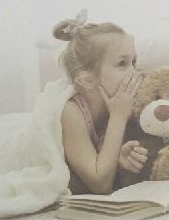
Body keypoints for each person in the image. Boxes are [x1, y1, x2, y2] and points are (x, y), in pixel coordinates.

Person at [52, 11, 149, 194]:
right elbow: (100, 185)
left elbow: (105, 162)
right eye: (122, 64)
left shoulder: (125, 102)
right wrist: (118, 117)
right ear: (88, 80)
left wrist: (118, 160)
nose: (135, 73)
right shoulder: (72, 112)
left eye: (134, 62)